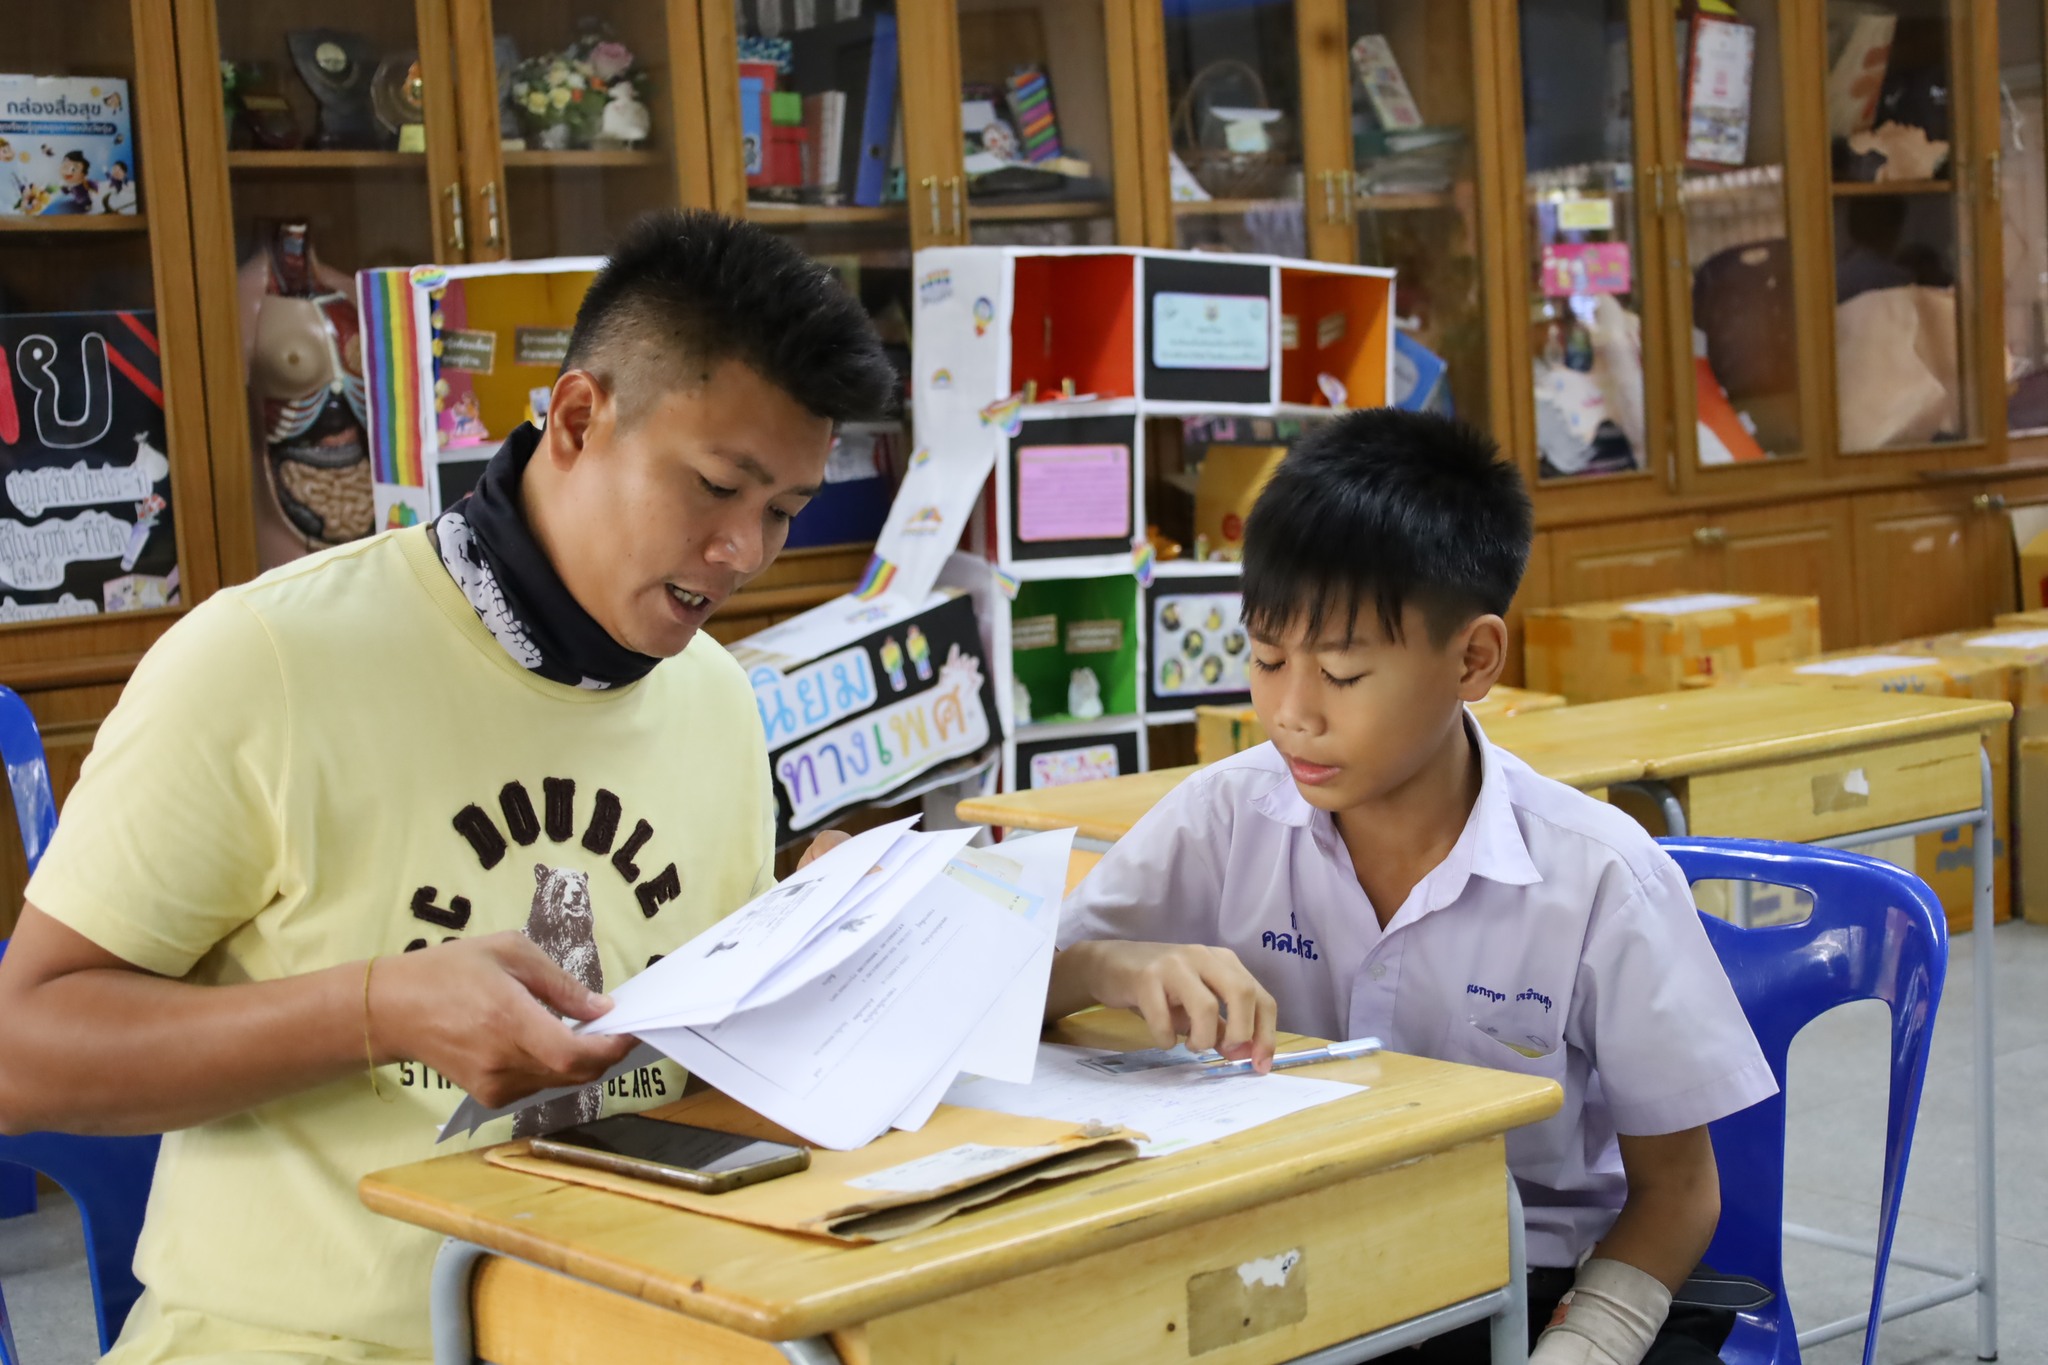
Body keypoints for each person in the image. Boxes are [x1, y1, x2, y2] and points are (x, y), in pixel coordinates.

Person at [0, 209, 896, 1363]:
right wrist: (376, 1010)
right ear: (577, 419)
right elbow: (21, 1053)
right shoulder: (268, 662)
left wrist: (830, 940)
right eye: (718, 486)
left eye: (782, 513)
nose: (744, 553)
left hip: (630, 1324)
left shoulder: (713, 696)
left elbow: (703, 1052)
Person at [1047, 409, 1776, 1365]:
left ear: (1473, 659)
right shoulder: (1226, 814)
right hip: (1298, 1274)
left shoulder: (1600, 875)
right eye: (1266, 659)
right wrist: (1110, 964)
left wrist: (1588, 1344)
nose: (1291, 712)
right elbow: (1000, 990)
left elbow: (1680, 1191)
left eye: (1343, 673)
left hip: (1533, 1283)